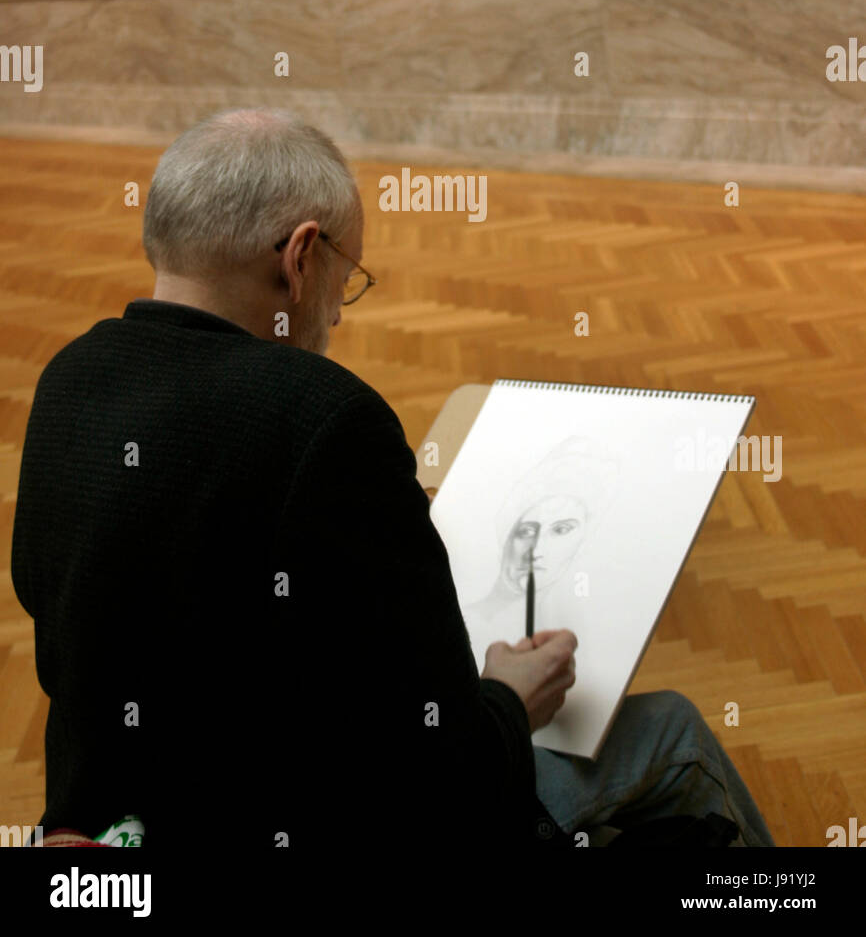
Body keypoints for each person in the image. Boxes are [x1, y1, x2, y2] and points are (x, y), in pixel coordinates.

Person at [11, 108, 775, 856]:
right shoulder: (325, 417)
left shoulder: (68, 379)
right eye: (350, 278)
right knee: (671, 732)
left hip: (108, 830)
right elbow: (449, 773)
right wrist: (512, 695)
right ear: (302, 258)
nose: (339, 314)